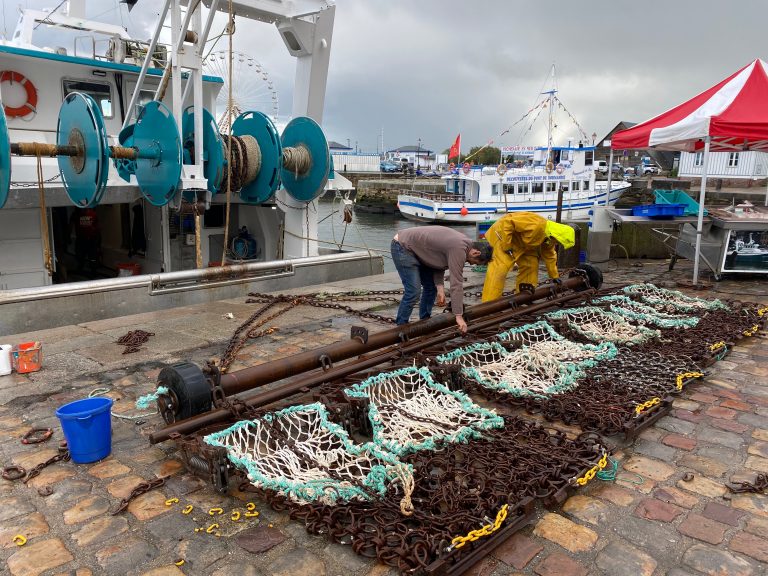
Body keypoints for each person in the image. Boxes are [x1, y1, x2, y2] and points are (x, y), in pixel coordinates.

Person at [391, 227, 492, 333]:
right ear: (476, 253)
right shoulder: (459, 248)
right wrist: (458, 316)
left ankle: (424, 323)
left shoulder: (465, 244)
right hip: (402, 246)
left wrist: (440, 288)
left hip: (418, 249)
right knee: (413, 291)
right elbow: (456, 283)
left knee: (431, 288)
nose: (471, 264)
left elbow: (438, 260)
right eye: (474, 262)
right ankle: (400, 327)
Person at [481, 212, 575, 301]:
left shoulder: (550, 239)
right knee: (499, 269)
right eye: (559, 242)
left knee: (531, 264)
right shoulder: (537, 223)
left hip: (522, 244)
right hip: (503, 237)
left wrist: (554, 276)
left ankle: (523, 296)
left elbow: (550, 256)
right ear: (557, 236)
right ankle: (489, 302)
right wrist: (506, 245)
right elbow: (507, 223)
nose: (558, 244)